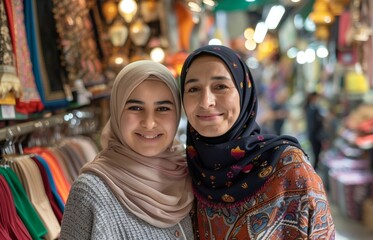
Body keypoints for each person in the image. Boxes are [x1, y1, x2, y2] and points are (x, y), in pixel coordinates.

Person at [180, 45, 335, 239]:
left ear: (244, 93)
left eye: (220, 86)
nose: (206, 101)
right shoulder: (184, 171)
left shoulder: (290, 168)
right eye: (193, 89)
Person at [60, 60, 194, 239]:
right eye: (135, 107)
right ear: (116, 111)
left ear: (177, 113)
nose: (149, 123)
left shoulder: (189, 176)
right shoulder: (91, 193)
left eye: (163, 108)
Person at [305, 92, 325, 170]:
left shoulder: (311, 108)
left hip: (313, 134)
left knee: (316, 152)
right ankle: (315, 168)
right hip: (315, 135)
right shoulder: (313, 108)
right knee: (316, 152)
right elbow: (314, 124)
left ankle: (315, 167)